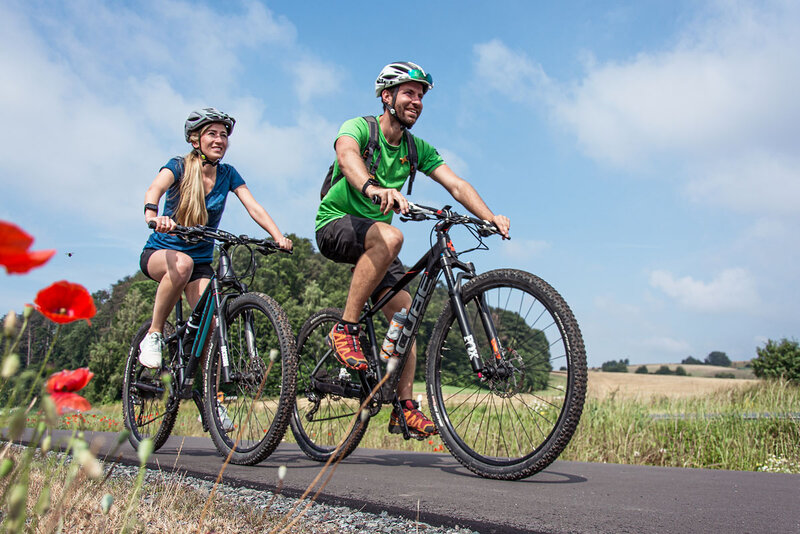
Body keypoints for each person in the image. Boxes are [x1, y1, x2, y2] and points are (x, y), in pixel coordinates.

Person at [315, 62, 510, 437]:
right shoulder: (360, 128)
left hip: (375, 241)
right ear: (387, 97)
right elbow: (347, 157)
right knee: (392, 237)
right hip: (335, 224)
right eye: (409, 93)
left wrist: (489, 217)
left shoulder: (414, 148)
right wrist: (373, 188)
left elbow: (455, 184)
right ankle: (345, 329)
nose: (417, 101)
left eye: (421, 96)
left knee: (405, 312)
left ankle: (404, 406)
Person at [139, 107, 292, 369]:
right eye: (212, 134)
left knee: (212, 325)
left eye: (223, 135)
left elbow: (253, 206)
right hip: (161, 254)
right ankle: (153, 334)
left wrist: (278, 236)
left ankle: (211, 399)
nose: (219, 140)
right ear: (195, 140)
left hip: (199, 263)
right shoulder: (178, 166)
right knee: (183, 264)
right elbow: (156, 188)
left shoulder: (227, 174)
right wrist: (153, 216)